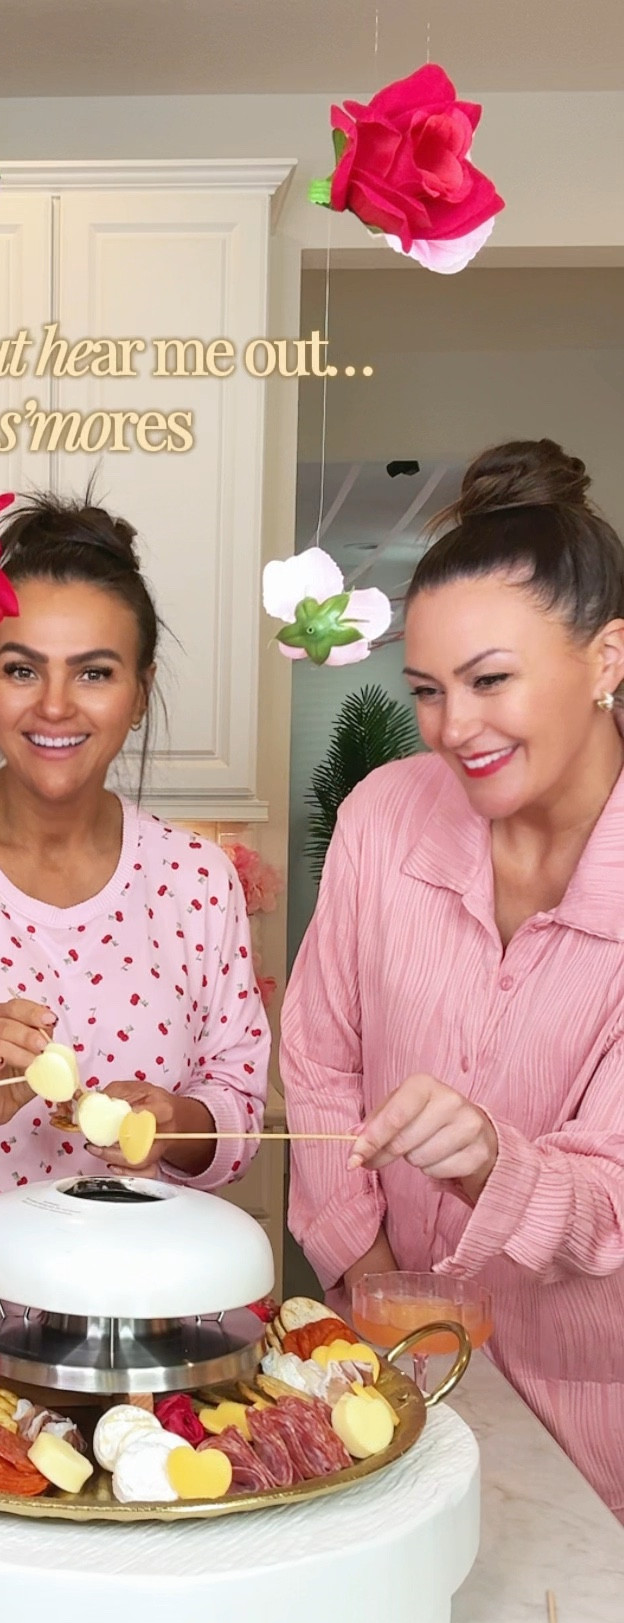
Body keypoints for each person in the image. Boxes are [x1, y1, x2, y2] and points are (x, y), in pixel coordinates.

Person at [281, 439, 624, 1520]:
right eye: (427, 690)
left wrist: (492, 1164)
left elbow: (612, 1196)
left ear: (609, 658)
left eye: (490, 681)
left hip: (588, 1416)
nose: (454, 729)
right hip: (377, 1371)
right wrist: (376, 1285)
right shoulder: (387, 813)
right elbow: (320, 1059)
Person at [0, 493, 270, 1317]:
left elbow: (239, 1113)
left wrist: (174, 1120)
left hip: (156, 1334)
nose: (55, 706)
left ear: (140, 692)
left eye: (94, 673)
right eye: (22, 668)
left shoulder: (199, 878)